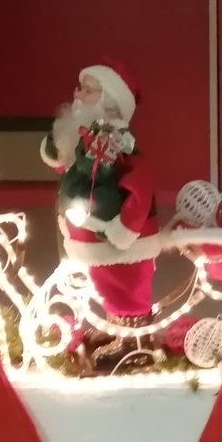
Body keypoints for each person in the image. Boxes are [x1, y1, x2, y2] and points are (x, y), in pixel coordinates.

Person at [40, 61, 160, 371]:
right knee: (105, 283)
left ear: (110, 101)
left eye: (88, 90)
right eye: (79, 87)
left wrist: (126, 226)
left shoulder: (119, 142)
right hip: (93, 232)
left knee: (125, 286)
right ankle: (117, 327)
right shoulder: (89, 139)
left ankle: (135, 343)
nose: (77, 94)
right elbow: (71, 165)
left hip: (119, 235)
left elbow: (140, 182)